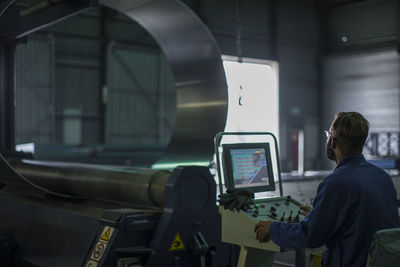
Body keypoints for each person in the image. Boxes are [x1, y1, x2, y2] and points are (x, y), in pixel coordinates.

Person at [254, 112, 400, 267]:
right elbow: (359, 221)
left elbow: (310, 236)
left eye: (328, 134)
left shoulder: (336, 183)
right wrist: (320, 215)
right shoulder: (382, 177)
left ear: (333, 141)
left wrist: (273, 228)